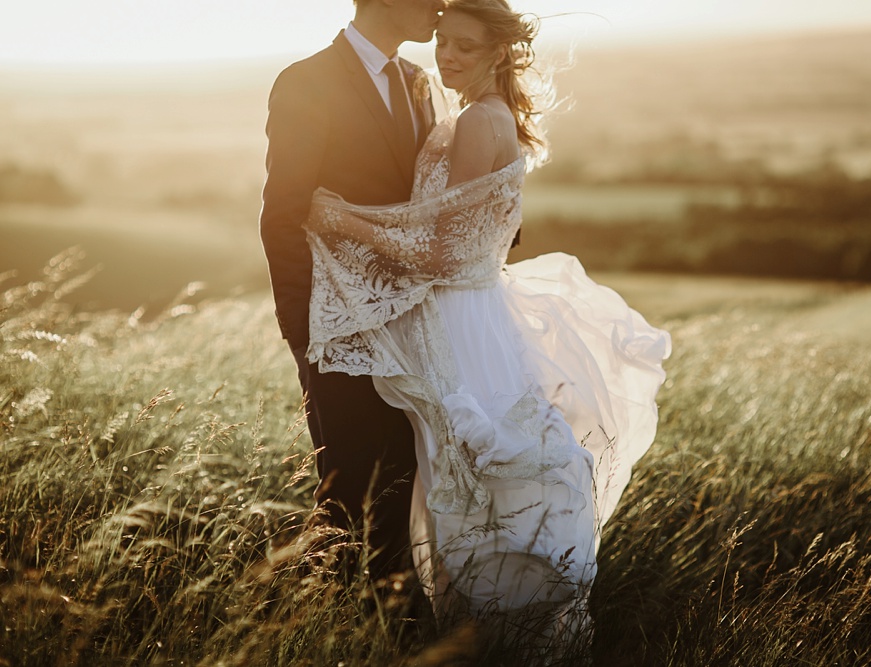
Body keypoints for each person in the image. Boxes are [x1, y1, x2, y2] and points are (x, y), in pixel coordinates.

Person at [303, 0, 670, 656]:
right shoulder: (481, 113)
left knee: (472, 477)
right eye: (442, 41)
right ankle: (491, 631)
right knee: (465, 477)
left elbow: (442, 253)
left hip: (462, 320)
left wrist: (343, 222)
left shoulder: (477, 121)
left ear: (499, 52)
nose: (445, 56)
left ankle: (492, 632)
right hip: (474, 308)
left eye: (464, 47)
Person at [259, 0, 444, 577]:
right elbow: (283, 215)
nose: (442, 5)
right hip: (336, 331)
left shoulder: (419, 82)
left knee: (405, 487)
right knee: (347, 497)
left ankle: (394, 629)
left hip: (417, 326)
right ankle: (331, 633)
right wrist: (303, 334)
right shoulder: (306, 82)